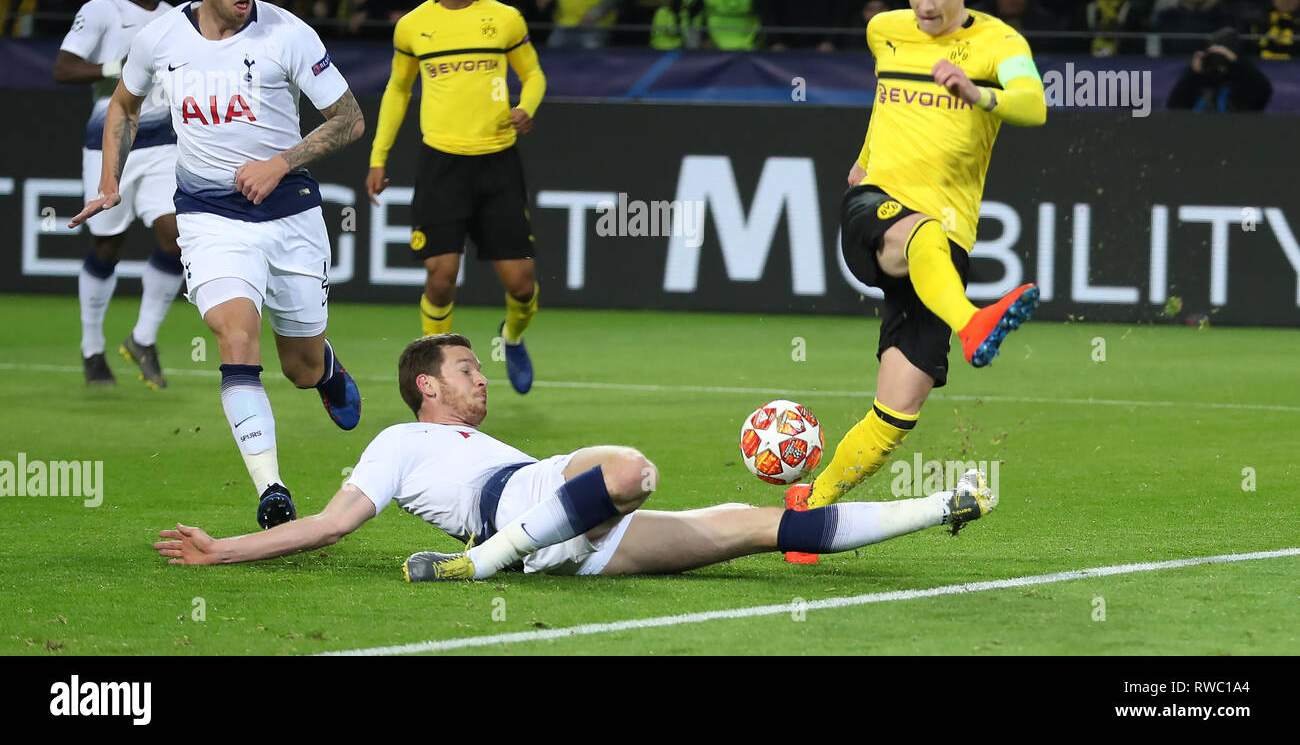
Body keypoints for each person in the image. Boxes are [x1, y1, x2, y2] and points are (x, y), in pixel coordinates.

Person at [152, 334, 997, 578]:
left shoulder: (478, 432)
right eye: (466, 370)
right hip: (518, 503)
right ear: (426, 390)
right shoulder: (399, 442)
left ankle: (941, 507)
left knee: (767, 526)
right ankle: (482, 564)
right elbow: (332, 526)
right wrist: (225, 547)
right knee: (631, 469)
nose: (481, 380)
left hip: (573, 547)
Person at [69, 0, 366, 531]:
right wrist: (109, 182)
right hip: (208, 216)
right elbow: (124, 104)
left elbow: (349, 118)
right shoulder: (160, 39)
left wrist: (281, 161)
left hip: (289, 212)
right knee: (236, 338)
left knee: (300, 367)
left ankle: (328, 370)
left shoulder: (289, 34)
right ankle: (271, 490)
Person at [783, 0, 1045, 564]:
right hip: (876, 211)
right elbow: (886, 102)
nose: (926, 5)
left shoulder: (997, 42)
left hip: (942, 246)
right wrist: (867, 157)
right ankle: (974, 323)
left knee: (898, 408)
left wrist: (979, 93)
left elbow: (1035, 105)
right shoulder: (885, 29)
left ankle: (807, 511)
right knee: (919, 231)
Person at [366, 0, 546, 394]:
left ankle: (512, 337)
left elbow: (533, 74)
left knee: (522, 284)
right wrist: (378, 156)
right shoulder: (413, 26)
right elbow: (398, 90)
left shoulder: (504, 19)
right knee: (441, 276)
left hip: (497, 162)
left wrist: (528, 107)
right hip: (442, 164)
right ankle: (439, 372)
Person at [54, 0, 179, 387]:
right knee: (107, 245)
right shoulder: (100, 11)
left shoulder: (176, 19)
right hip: (110, 142)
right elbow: (64, 67)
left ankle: (142, 339)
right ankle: (92, 348)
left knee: (177, 241)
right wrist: (117, 68)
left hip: (164, 143)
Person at [1167, 27, 1272, 112]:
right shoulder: (1198, 79)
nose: (1219, 65)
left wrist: (1237, 63)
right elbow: (1174, 106)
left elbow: (1264, 90)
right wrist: (1193, 74)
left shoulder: (1245, 80)